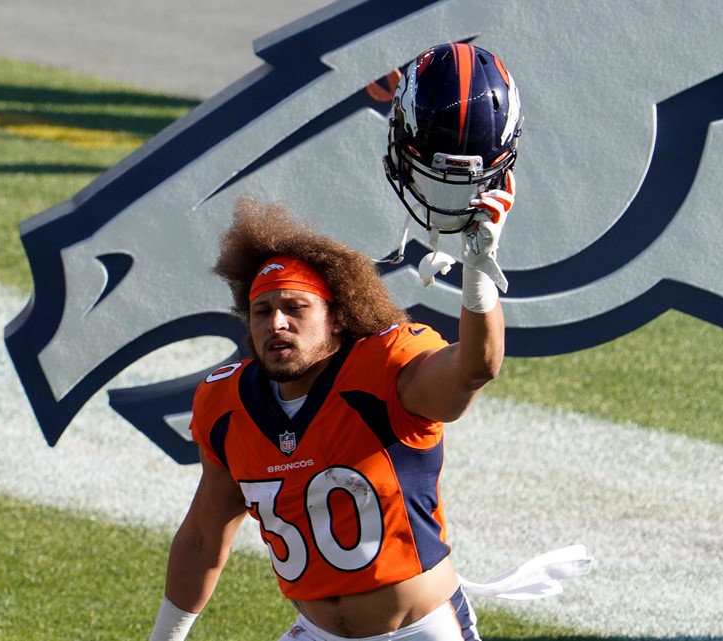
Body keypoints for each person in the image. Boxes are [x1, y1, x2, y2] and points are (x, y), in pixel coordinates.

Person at [149, 42, 520, 641]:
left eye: (295, 309)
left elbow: (475, 368)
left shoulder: (388, 368)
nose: (275, 323)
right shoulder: (225, 403)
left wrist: (479, 270)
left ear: (339, 318)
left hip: (419, 630)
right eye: (262, 311)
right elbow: (201, 537)